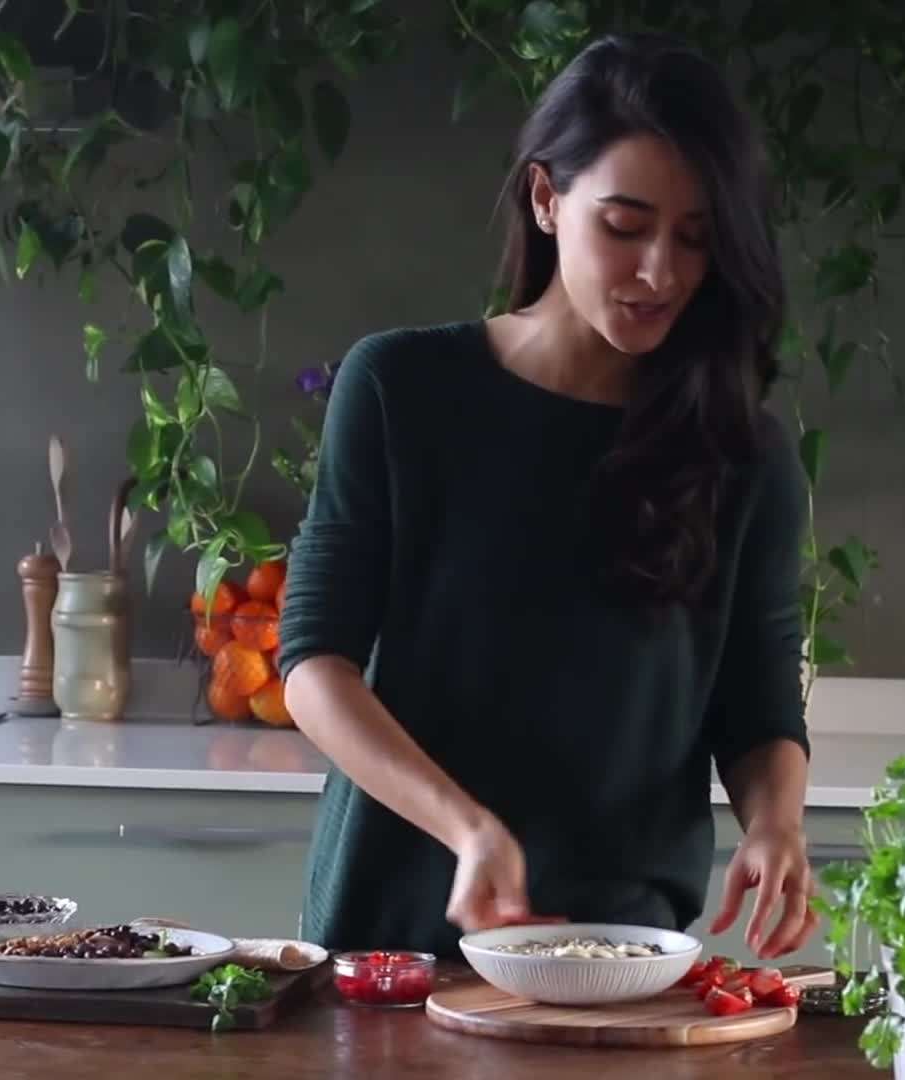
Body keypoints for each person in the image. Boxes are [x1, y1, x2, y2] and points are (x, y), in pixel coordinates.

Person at [275, 32, 814, 963]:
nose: (660, 271)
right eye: (625, 225)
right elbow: (314, 666)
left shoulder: (745, 452)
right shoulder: (402, 389)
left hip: (621, 950)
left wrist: (775, 824)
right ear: (546, 197)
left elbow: (760, 706)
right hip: (395, 935)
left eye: (695, 237)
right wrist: (469, 829)